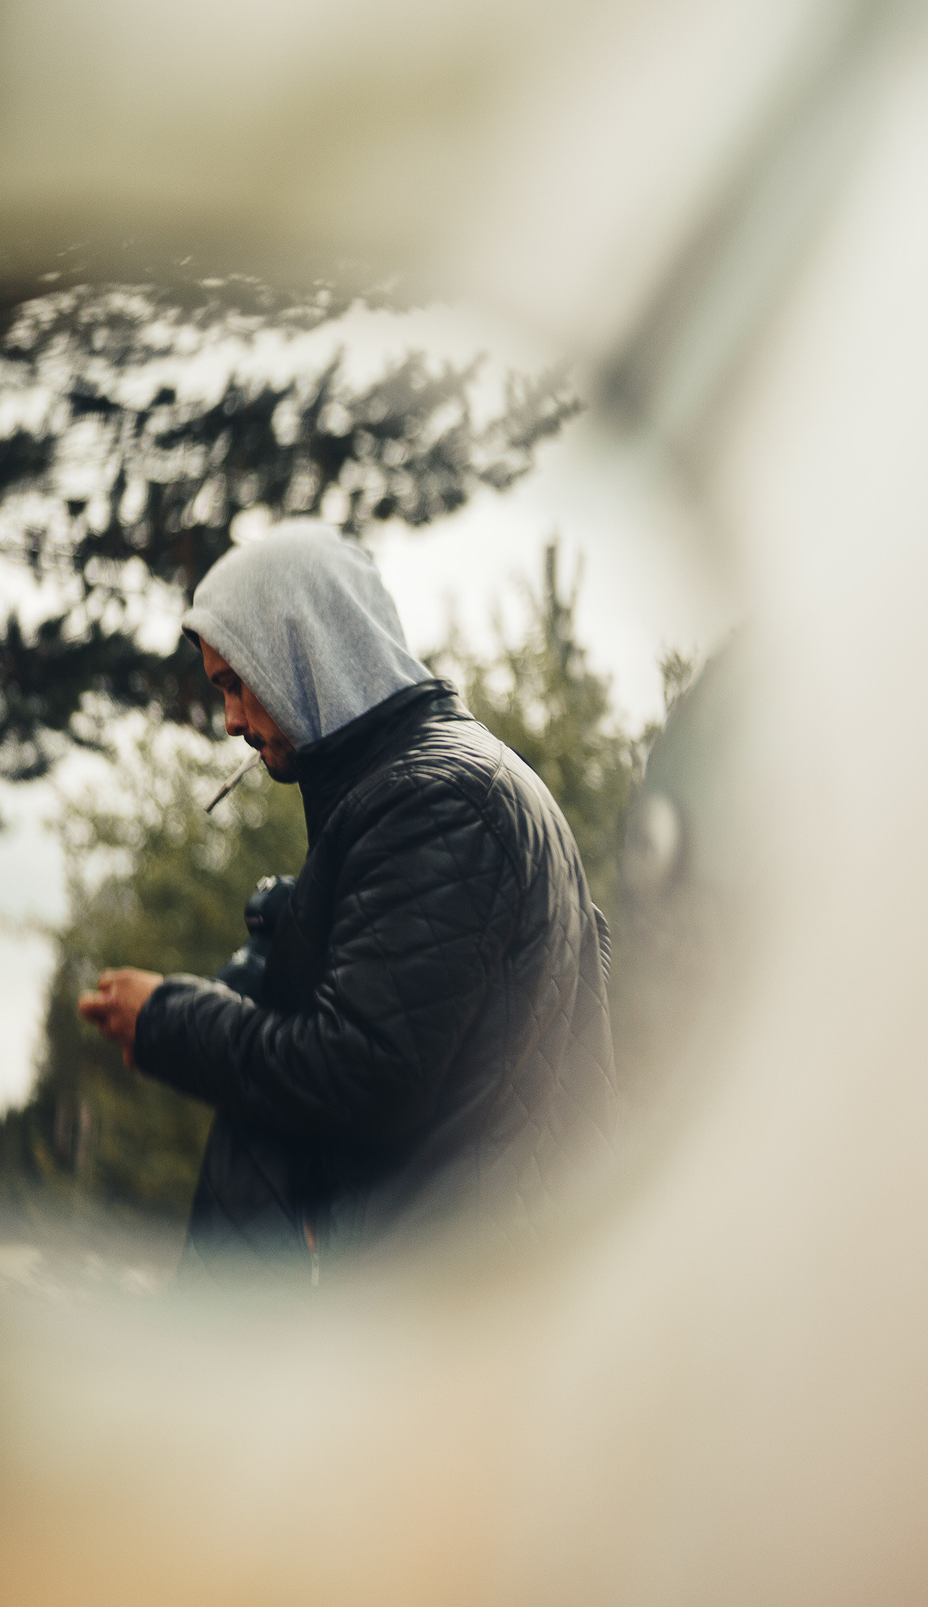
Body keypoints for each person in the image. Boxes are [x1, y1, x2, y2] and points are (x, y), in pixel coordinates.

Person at [76, 525, 616, 1282]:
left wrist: (168, 1020)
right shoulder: (439, 785)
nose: (230, 719)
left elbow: (362, 1071)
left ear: (301, 647)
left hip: (439, 1304)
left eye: (236, 682)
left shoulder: (438, 799)